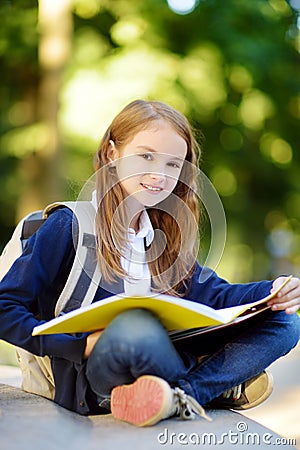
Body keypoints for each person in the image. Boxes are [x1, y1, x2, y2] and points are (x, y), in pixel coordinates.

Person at [0, 100, 299, 427]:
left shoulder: (162, 239)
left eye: (173, 165)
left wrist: (274, 290)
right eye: (146, 156)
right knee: (135, 329)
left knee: (286, 323)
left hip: (161, 354)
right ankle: (218, 385)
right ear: (112, 154)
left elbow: (218, 296)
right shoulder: (68, 225)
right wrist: (79, 345)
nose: (159, 175)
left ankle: (185, 393)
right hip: (95, 374)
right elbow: (5, 307)